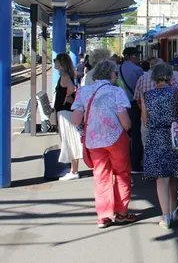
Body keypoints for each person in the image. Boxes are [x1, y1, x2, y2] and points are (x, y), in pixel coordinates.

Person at [71, 60, 138, 229]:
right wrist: (128, 129)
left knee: (100, 175)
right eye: (115, 73)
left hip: (94, 140)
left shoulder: (84, 91)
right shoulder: (116, 92)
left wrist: (88, 126)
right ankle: (122, 213)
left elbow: (76, 119)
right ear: (110, 74)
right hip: (116, 138)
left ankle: (103, 216)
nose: (116, 75)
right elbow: (126, 122)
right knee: (122, 174)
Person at [141, 63, 178, 229]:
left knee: (162, 179)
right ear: (170, 76)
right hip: (175, 139)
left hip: (156, 138)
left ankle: (165, 216)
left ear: (154, 78)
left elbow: (145, 121)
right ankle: (174, 211)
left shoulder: (147, 96)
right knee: (174, 177)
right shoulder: (177, 93)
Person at [134, 57, 178, 148]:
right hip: (169, 121)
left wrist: (146, 113)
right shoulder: (171, 80)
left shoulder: (142, 78)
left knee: (149, 149)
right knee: (169, 150)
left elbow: (137, 99)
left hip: (148, 120)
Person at [53, 53, 81, 181]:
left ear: (61, 63)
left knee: (70, 140)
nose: (54, 63)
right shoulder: (66, 75)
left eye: (55, 60)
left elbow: (73, 89)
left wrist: (67, 99)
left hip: (65, 112)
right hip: (65, 111)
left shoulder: (64, 77)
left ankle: (74, 171)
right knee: (70, 140)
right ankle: (73, 170)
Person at [118, 47, 145, 173]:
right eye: (137, 55)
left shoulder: (117, 69)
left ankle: (123, 160)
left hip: (120, 106)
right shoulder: (137, 70)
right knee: (136, 134)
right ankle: (135, 163)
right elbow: (139, 89)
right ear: (131, 56)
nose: (139, 58)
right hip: (133, 105)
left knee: (123, 134)